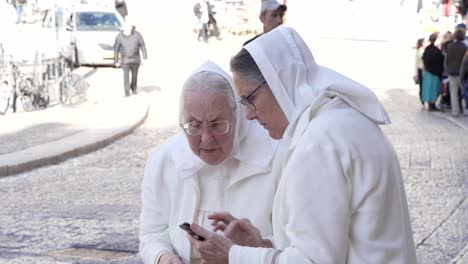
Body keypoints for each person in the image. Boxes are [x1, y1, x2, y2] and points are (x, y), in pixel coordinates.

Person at [186, 26, 417, 263]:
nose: (249, 115)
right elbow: (335, 239)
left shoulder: (317, 143)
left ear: (279, 82)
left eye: (250, 99)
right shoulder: (341, 121)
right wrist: (263, 246)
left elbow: (313, 260)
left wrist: (233, 255)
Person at [139, 61, 284, 264]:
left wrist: (256, 249)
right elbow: (151, 234)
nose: (206, 138)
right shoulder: (163, 160)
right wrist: (163, 258)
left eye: (218, 124)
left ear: (239, 116)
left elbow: (299, 246)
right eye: (194, 125)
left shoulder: (276, 155)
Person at [113, 22, 147, 96]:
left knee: (134, 75)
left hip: (135, 60)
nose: (127, 32)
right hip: (125, 61)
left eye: (128, 30)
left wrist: (144, 56)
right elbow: (116, 49)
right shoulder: (119, 37)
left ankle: (134, 87)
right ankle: (127, 92)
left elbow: (142, 45)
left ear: (131, 29)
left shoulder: (137, 35)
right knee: (126, 76)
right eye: (125, 31)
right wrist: (116, 61)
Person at [446, 28, 467, 117]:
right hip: (462, 73)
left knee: (453, 93)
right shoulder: (464, 47)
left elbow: (447, 59)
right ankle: (465, 109)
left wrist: (448, 69)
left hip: (451, 72)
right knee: (464, 91)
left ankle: (455, 111)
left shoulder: (450, 46)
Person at [422, 33, 444, 111]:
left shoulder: (428, 49)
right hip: (433, 73)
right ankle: (431, 104)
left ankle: (431, 104)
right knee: (433, 89)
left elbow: (425, 59)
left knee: (430, 89)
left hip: (430, 72)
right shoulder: (435, 50)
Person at [414, 37, 425, 106]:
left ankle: (422, 99)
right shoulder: (421, 50)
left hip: (420, 69)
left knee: (421, 86)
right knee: (422, 85)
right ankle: (422, 99)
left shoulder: (419, 50)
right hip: (421, 69)